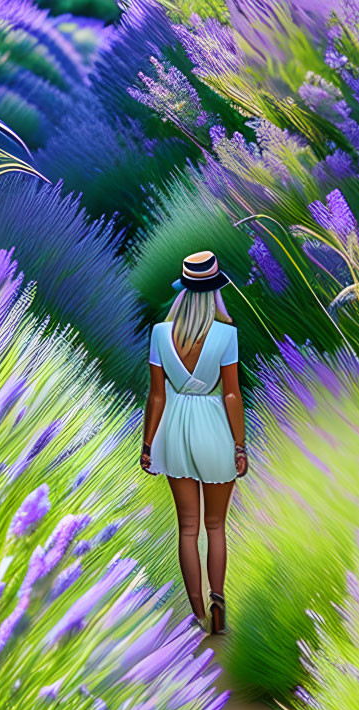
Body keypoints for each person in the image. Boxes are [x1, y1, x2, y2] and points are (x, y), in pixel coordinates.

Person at [140, 250, 247, 635]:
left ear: (183, 291)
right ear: (214, 292)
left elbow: (156, 396)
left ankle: (198, 612)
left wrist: (148, 444)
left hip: (175, 430)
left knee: (187, 527)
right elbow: (232, 395)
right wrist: (239, 445)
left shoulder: (158, 334)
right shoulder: (226, 335)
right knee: (215, 525)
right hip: (214, 426)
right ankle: (219, 602)